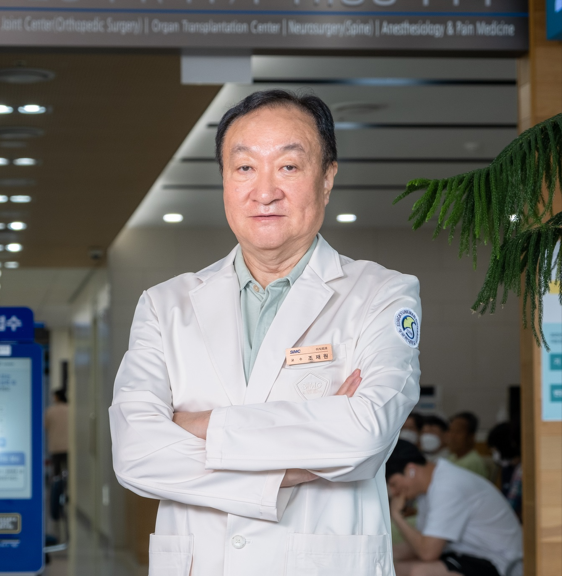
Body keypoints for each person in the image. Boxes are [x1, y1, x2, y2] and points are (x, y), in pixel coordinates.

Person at [110, 90, 422, 576]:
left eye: (289, 167)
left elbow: (365, 433)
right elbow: (136, 454)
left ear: (327, 178)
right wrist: (291, 470)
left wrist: (199, 425)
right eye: (244, 167)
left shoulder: (381, 293)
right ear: (224, 180)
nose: (265, 191)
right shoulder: (164, 305)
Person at [388, 440, 523, 576]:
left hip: (500, 562)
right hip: (467, 555)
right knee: (395, 567)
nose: (394, 492)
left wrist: (397, 516)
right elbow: (420, 543)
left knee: (418, 572)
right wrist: (385, 553)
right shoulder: (429, 488)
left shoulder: (447, 486)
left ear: (411, 470)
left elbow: (427, 553)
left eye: (393, 484)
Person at [487, 422, 522, 520]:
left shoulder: (521, 470)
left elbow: (512, 505)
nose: (495, 455)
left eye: (495, 450)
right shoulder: (506, 468)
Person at [446, 412, 488, 478]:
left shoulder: (473, 462)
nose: (452, 437)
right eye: (451, 431)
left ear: (471, 436)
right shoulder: (451, 458)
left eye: (458, 432)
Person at [45, 389, 69, 477]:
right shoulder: (69, 409)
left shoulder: (50, 411)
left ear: (57, 397)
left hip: (55, 446)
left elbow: (46, 426)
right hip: (68, 445)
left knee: (56, 472)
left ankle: (57, 484)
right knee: (68, 470)